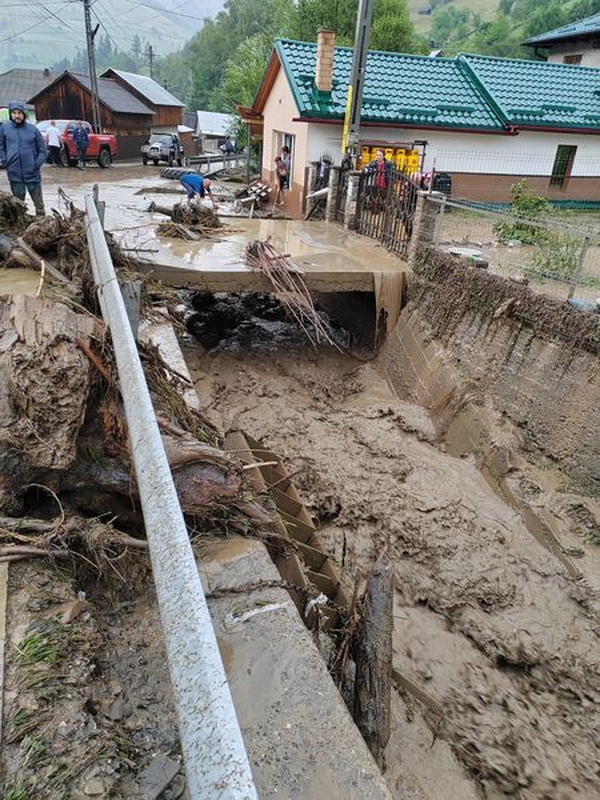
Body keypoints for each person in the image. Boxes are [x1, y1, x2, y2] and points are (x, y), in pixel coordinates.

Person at [0, 101, 47, 216]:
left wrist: (36, 164)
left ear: (24, 114)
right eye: (14, 113)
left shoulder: (33, 129)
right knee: (18, 207)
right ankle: (20, 229)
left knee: (39, 205)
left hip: (33, 175)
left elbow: (43, 150)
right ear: (11, 114)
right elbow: (1, 147)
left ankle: (41, 225)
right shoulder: (4, 129)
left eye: (19, 113)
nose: (17, 116)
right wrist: (5, 161)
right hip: (14, 174)